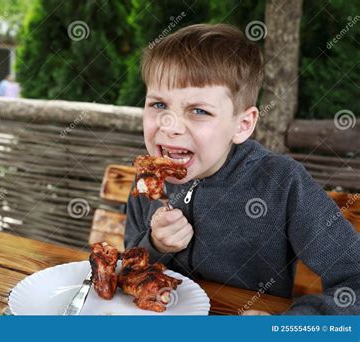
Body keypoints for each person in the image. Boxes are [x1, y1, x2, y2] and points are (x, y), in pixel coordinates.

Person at [124, 23, 359, 315]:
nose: (170, 126)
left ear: (242, 125)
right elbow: (128, 275)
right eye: (159, 105)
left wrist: (290, 324)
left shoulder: (282, 183)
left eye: (199, 111)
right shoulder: (148, 183)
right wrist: (156, 244)